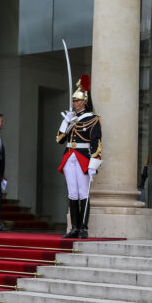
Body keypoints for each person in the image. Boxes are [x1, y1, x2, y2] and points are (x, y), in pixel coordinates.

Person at [56, 75, 102, 239]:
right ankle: (74, 227)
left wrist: (94, 165)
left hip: (83, 157)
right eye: (74, 100)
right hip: (69, 157)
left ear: (84, 101)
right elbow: (60, 139)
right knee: (72, 194)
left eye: (77, 100)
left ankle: (83, 227)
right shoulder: (70, 118)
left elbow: (96, 143)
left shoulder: (93, 119)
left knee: (83, 193)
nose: (74, 103)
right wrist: (65, 123)